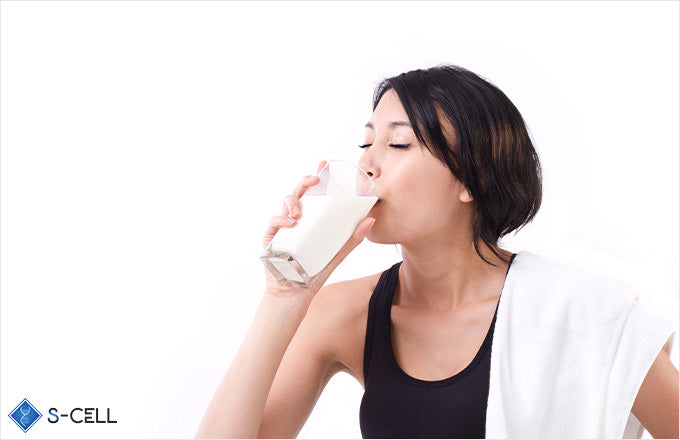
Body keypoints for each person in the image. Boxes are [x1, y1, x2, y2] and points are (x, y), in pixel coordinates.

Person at [195, 65, 678, 439]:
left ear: (474, 179)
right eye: (367, 141)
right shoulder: (344, 313)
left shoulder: (585, 312)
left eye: (398, 143)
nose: (366, 163)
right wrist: (285, 295)